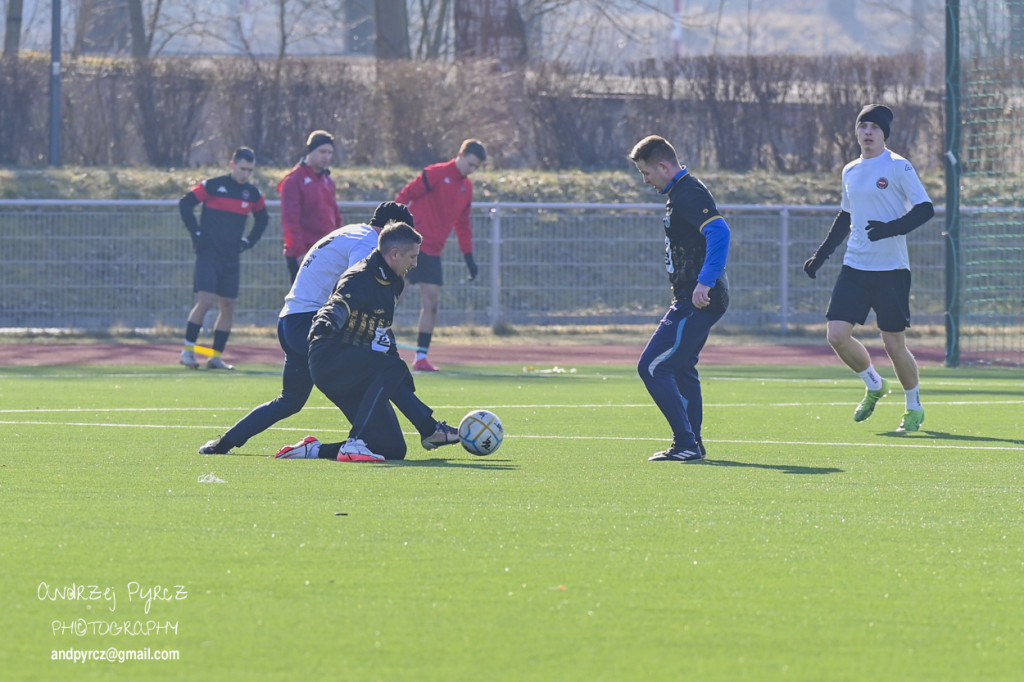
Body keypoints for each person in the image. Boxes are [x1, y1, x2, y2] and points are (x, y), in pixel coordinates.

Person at [197, 202, 459, 455]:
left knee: (292, 400)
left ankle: (225, 443)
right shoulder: (368, 246)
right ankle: (426, 428)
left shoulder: (352, 231)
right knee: (388, 363)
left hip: (291, 321)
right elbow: (356, 287)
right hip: (317, 323)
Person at [275, 221, 462, 462]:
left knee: (392, 449)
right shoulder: (360, 275)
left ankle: (312, 450)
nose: (416, 263)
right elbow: (339, 304)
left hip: (356, 365)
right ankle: (356, 441)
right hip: (331, 359)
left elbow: (381, 334)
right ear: (395, 254)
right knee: (392, 367)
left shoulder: (393, 282)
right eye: (413, 257)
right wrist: (329, 320)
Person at [803, 104, 934, 433]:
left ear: (884, 133)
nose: (868, 132)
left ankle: (914, 406)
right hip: (855, 267)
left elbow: (925, 209)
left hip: (891, 270)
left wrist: (891, 228)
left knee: (893, 345)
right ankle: (874, 384)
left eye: (875, 127)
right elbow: (846, 217)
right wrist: (821, 255)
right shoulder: (850, 170)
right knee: (836, 335)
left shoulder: (898, 167)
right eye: (863, 126)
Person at [629, 135, 731, 462]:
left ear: (663, 166)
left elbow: (720, 232)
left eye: (646, 173)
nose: (645, 180)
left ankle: (685, 442)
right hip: (692, 295)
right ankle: (693, 443)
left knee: (653, 367)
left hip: (698, 298)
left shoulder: (688, 193)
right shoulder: (678, 193)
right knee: (682, 367)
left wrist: (705, 282)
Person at [395, 138, 487, 372]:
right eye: (470, 163)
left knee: (432, 303)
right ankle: (369, 344)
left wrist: (469, 257)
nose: (471, 170)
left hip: (433, 251)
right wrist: (395, 229)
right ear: (461, 154)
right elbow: (404, 196)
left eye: (476, 167)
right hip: (411, 245)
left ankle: (421, 357)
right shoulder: (435, 173)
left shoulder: (467, 188)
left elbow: (463, 224)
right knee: (394, 298)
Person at [178, 147, 269, 371]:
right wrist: (196, 232)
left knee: (228, 306)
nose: (245, 174)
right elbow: (185, 203)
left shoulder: (253, 194)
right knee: (206, 301)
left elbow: (262, 220)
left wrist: (248, 241)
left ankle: (214, 357)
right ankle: (188, 352)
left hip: (231, 257)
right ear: (232, 165)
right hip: (208, 254)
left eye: (250, 170)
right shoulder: (212, 185)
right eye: (242, 168)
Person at [278, 130, 343, 283]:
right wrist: (300, 252)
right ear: (310, 151)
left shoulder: (328, 181)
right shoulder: (294, 180)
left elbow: (335, 215)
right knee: (305, 303)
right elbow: (290, 221)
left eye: (329, 152)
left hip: (326, 251)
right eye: (322, 152)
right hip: (305, 252)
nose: (326, 156)